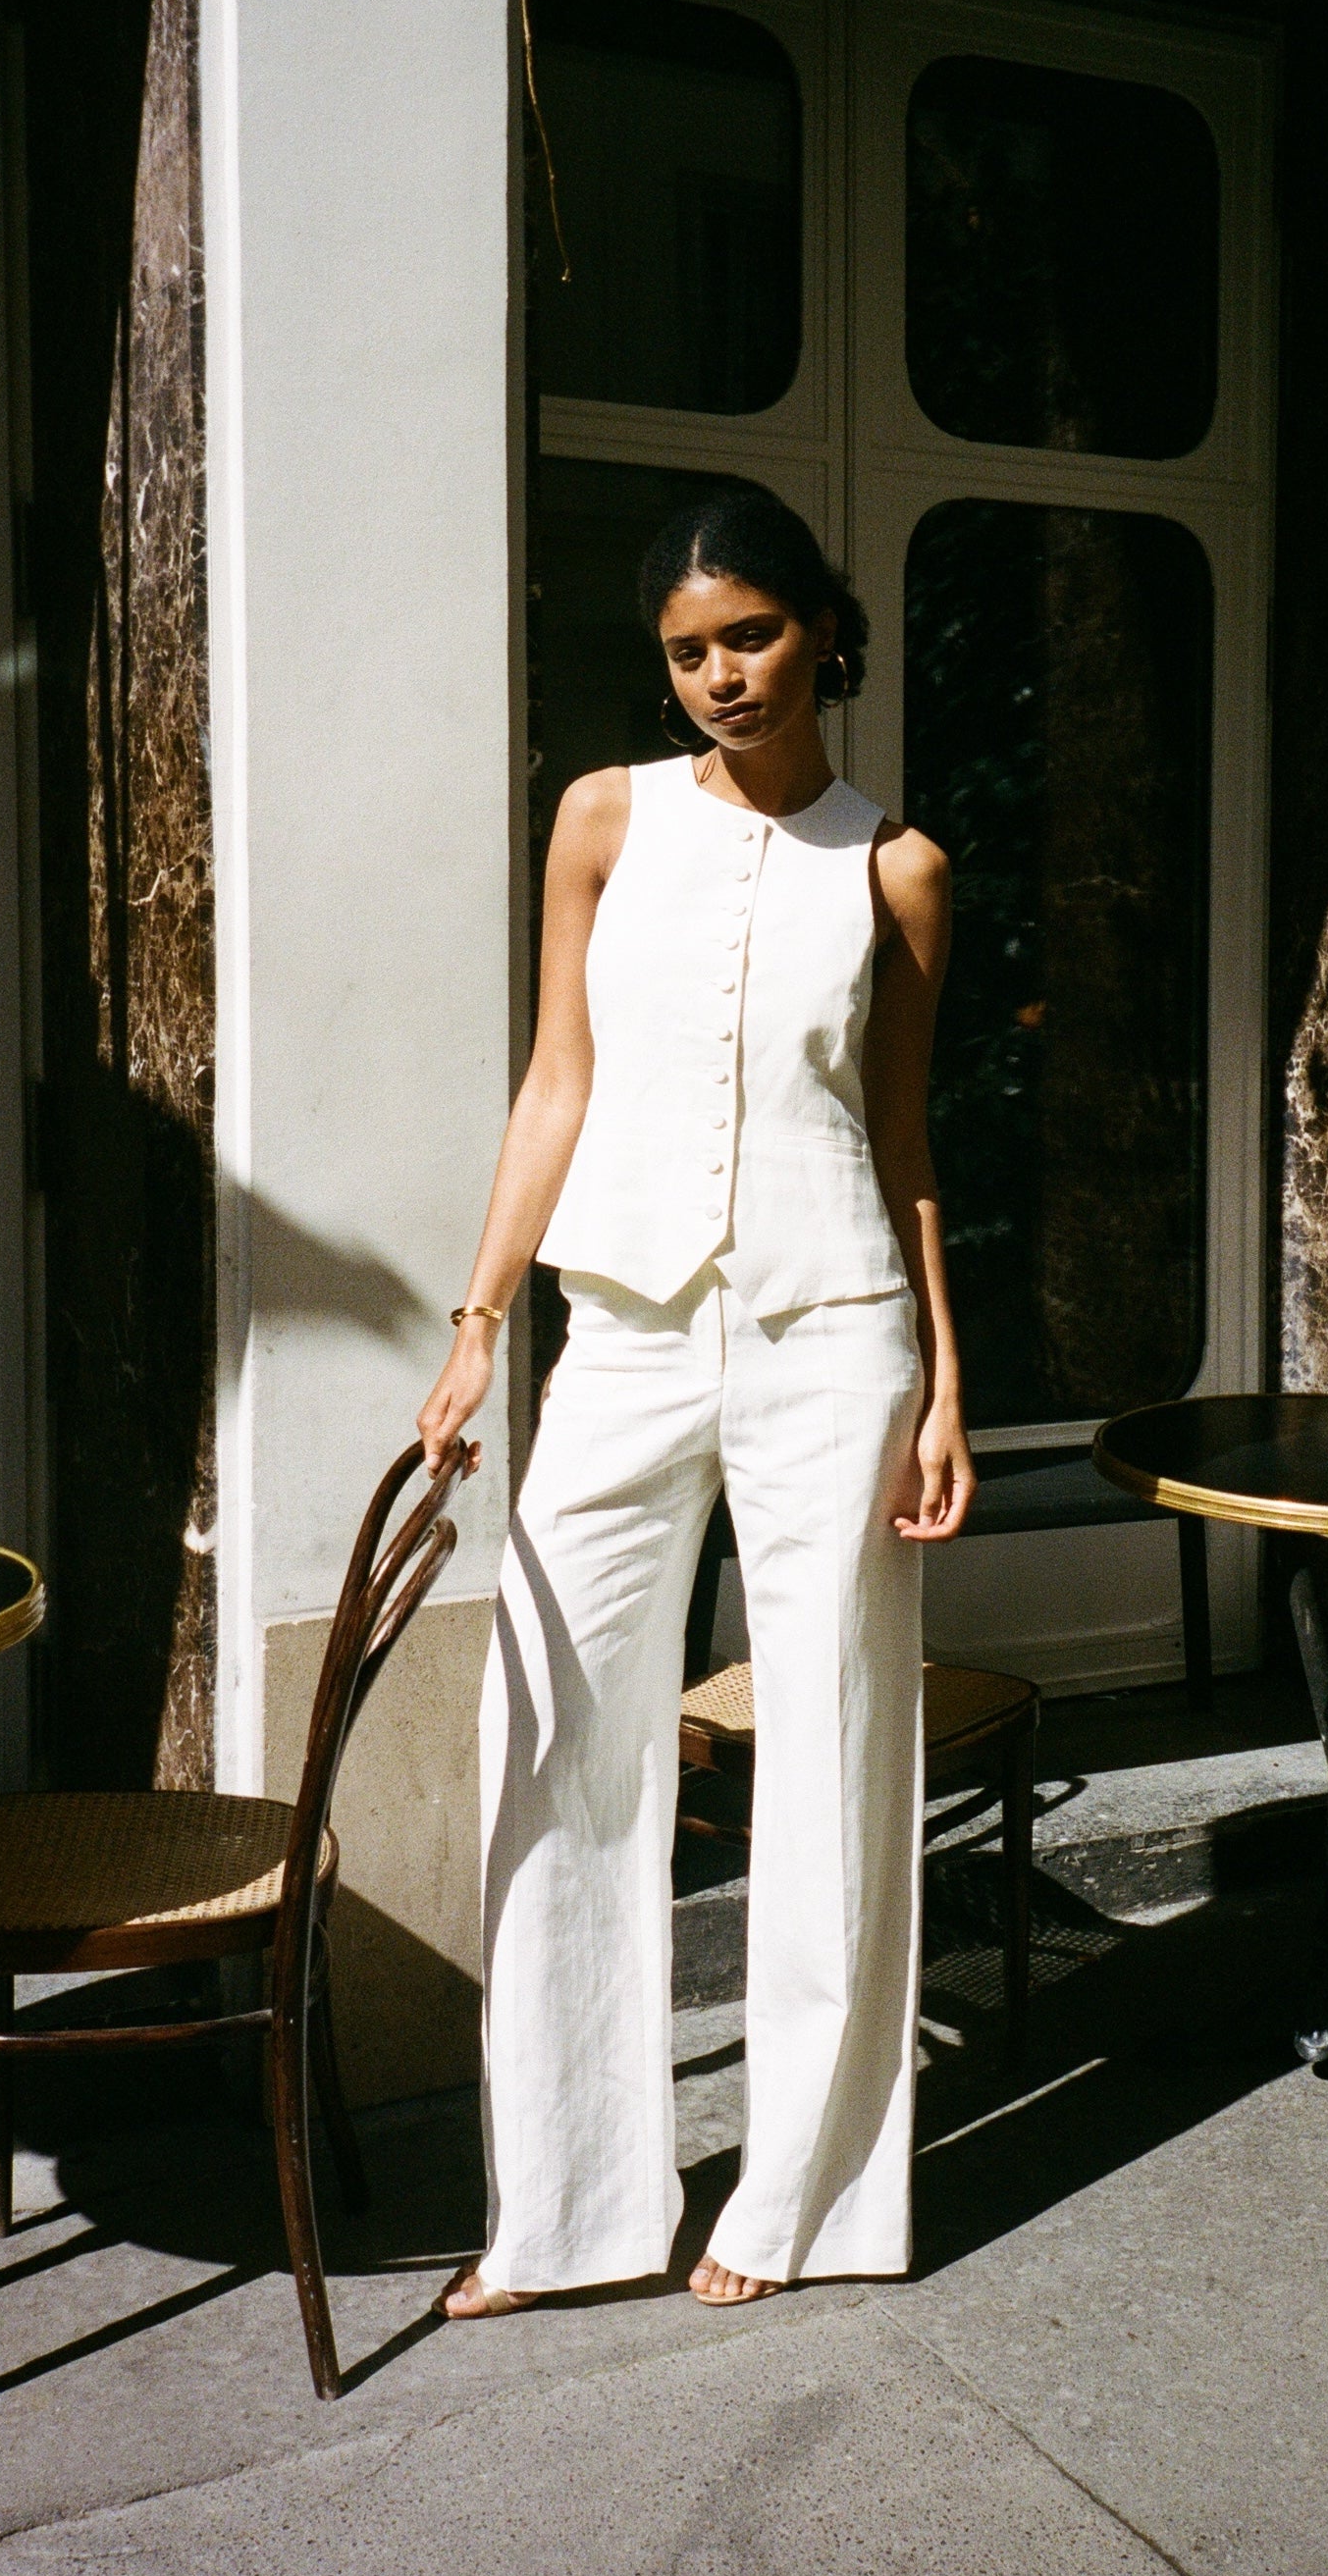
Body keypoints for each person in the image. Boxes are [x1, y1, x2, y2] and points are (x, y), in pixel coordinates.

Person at [416, 481, 975, 2314]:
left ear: (820, 625)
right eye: (684, 651)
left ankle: (801, 2198)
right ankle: (566, 2211)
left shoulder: (894, 867)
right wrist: (483, 1314)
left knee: (830, 1747)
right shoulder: (602, 820)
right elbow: (555, 1083)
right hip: (628, 1329)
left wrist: (949, 1379)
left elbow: (902, 1141)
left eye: (747, 633)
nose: (719, 676)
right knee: (558, 1730)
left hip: (837, 1341)